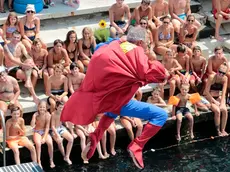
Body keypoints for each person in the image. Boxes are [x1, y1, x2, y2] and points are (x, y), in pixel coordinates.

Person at [61, 27, 167, 169]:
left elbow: (101, 46)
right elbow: (153, 73)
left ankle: (95, 137)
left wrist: (119, 39)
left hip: (111, 97)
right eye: (147, 44)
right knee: (161, 115)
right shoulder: (137, 52)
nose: (147, 48)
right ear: (140, 42)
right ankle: (137, 146)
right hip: (120, 101)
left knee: (112, 112)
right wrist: (164, 71)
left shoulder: (115, 45)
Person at [3, 31, 40, 104]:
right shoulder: (6, 47)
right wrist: (24, 64)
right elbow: (12, 59)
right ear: (11, 37)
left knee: (28, 60)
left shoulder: (20, 45)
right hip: (11, 68)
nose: (16, 39)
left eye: (18, 38)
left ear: (20, 38)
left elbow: (26, 55)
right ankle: (34, 96)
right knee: (24, 75)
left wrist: (31, 63)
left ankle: (28, 81)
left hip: (20, 65)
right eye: (14, 37)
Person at [204, 63, 228, 136]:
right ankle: (218, 131)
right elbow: (206, 92)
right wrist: (214, 101)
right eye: (220, 72)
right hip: (208, 97)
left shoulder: (225, 79)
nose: (221, 74)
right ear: (217, 70)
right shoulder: (211, 77)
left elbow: (224, 93)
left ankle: (223, 130)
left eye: (223, 73)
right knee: (217, 111)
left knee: (224, 110)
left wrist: (222, 103)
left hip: (218, 97)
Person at [31, 101, 55, 169]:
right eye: (40, 107)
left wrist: (44, 137)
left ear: (46, 108)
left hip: (45, 131)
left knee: (50, 143)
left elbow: (47, 127)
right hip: (37, 131)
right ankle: (39, 161)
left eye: (43, 107)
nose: (42, 108)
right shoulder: (36, 115)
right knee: (38, 144)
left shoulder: (48, 115)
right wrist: (33, 117)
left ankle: (51, 160)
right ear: (38, 107)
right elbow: (32, 125)